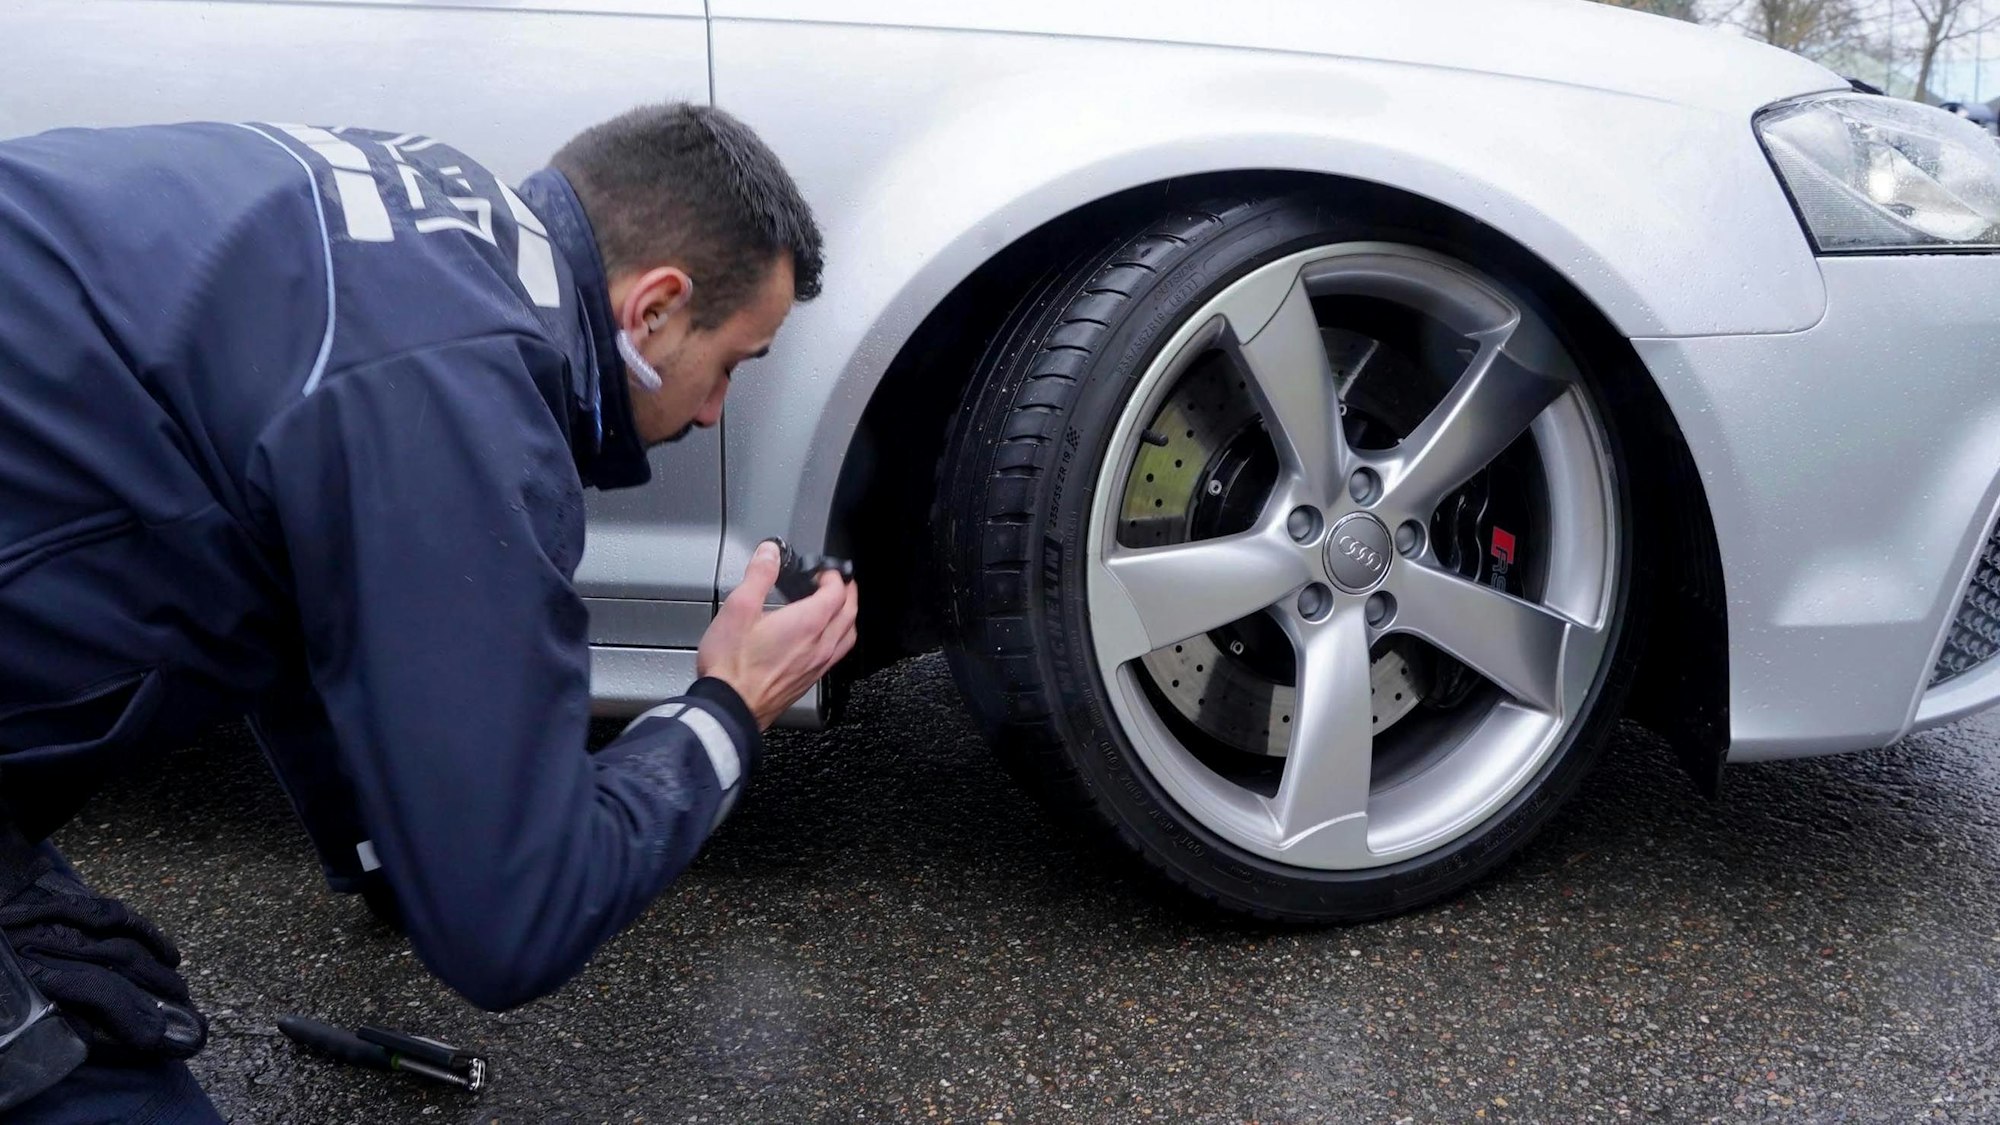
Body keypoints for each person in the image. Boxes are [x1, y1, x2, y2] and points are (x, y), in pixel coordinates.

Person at [0, 102, 856, 1120]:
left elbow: (307, 605)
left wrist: (396, 855)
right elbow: (512, 924)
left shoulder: (428, 235)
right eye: (731, 365)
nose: (714, 411)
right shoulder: (463, 395)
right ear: (655, 309)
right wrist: (725, 707)